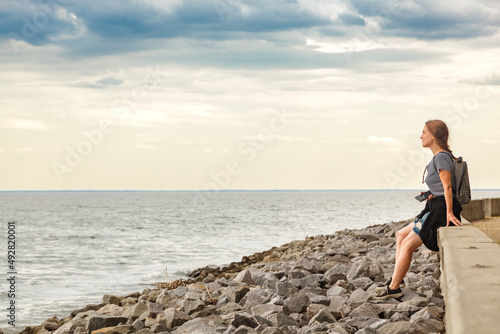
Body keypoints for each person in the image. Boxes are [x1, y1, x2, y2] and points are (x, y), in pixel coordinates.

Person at [374, 119, 463, 300]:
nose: (420, 136)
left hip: (439, 210)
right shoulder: (440, 157)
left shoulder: (441, 157)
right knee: (400, 235)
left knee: (407, 245)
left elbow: (448, 188)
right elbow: (441, 187)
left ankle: (394, 288)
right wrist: (431, 194)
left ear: (434, 135)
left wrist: (449, 212)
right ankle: (397, 278)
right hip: (434, 204)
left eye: (424, 132)